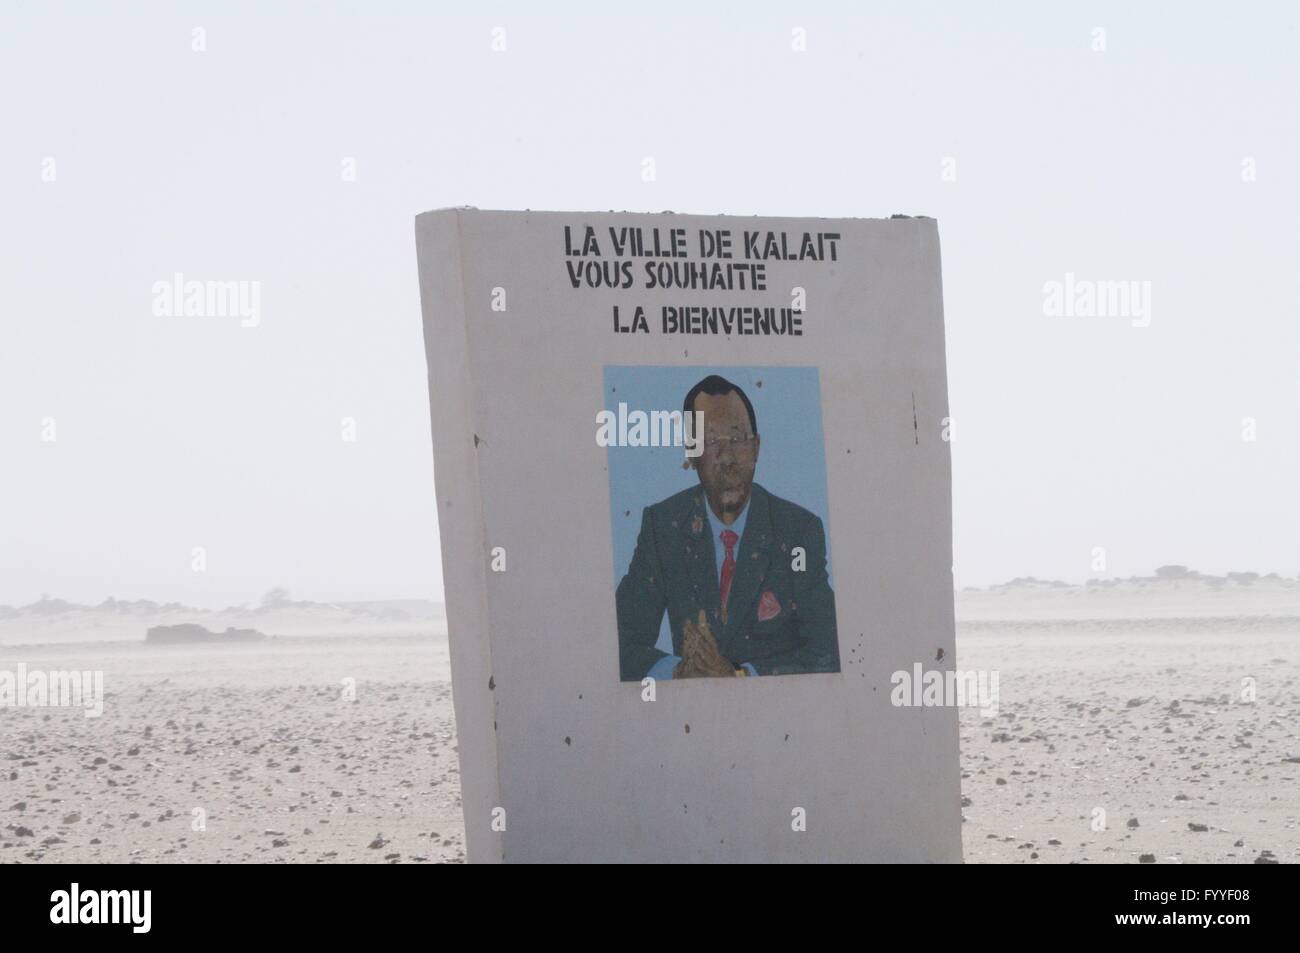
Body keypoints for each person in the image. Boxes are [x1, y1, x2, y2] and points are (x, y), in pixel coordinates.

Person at [616, 374, 839, 680]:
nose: (727, 458)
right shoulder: (663, 527)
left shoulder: (797, 532)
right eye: (710, 442)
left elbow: (828, 650)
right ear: (691, 452)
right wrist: (679, 672)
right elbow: (619, 642)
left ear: (756, 447)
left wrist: (741, 675)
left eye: (737, 439)